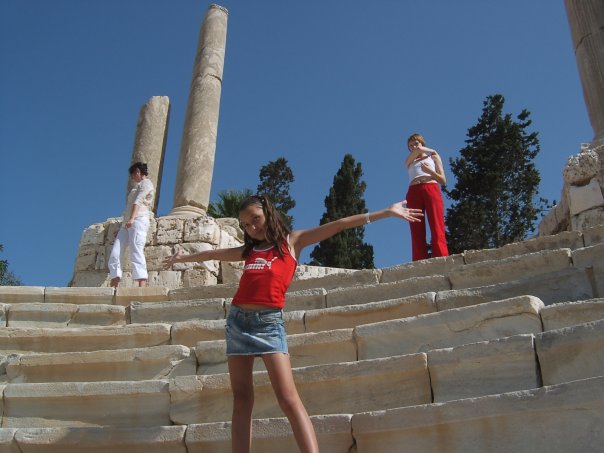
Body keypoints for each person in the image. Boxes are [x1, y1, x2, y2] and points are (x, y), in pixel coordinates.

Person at [163, 194, 422, 453]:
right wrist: (183, 258)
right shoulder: (249, 250)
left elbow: (339, 225)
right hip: (238, 323)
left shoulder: (292, 241)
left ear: (269, 213)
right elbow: (215, 253)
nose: (252, 227)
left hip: (269, 325)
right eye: (246, 225)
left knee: (288, 398)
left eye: (256, 219)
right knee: (241, 400)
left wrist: (386, 212)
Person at [108, 162, 154, 288]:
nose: (132, 177)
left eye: (133, 174)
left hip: (139, 220)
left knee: (136, 250)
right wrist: (123, 225)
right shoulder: (136, 187)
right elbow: (129, 207)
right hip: (128, 223)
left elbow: (139, 201)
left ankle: (142, 285)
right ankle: (114, 284)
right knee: (115, 252)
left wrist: (132, 219)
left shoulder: (147, 183)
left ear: (138, 172)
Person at [405, 133, 449, 261]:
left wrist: (430, 171)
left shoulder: (434, 157)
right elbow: (418, 151)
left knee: (436, 223)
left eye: (416, 143)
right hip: (413, 191)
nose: (414, 147)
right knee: (415, 226)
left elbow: (443, 180)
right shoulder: (409, 161)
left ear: (422, 143)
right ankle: (419, 259)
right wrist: (432, 149)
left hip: (431, 188)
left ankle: (441, 256)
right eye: (410, 146)